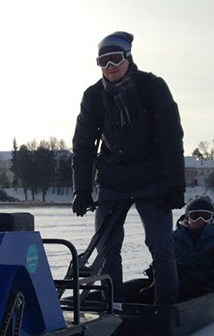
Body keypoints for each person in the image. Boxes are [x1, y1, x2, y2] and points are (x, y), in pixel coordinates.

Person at [71, 31, 186, 305]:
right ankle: (114, 307)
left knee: (160, 245)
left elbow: (171, 138)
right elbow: (83, 146)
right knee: (107, 248)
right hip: (113, 179)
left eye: (115, 60)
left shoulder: (152, 86)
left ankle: (166, 307)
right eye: (103, 62)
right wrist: (82, 189)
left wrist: (175, 185)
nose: (110, 67)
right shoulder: (94, 96)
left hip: (152, 178)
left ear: (128, 58)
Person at [173, 196, 214, 301]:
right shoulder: (173, 239)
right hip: (174, 285)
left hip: (205, 291)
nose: (200, 221)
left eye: (205, 216)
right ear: (187, 218)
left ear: (211, 218)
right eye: (195, 216)